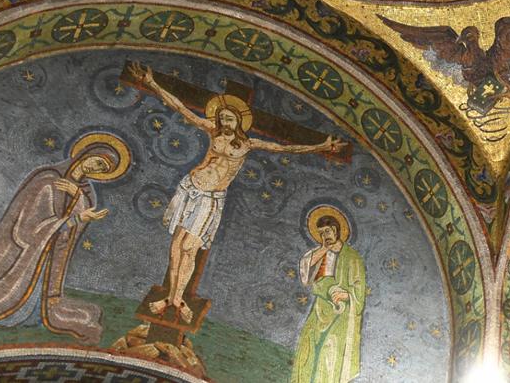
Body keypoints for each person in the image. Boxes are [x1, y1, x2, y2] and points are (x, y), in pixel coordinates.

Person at [131, 63, 345, 324]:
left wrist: (320, 146)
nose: (224, 122)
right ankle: (172, 299)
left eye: (229, 118)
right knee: (176, 247)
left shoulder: (247, 144)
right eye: (222, 118)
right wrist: (153, 83)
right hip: (190, 189)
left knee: (190, 248)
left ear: (239, 121)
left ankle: (179, 297)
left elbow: (285, 148)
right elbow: (181, 108)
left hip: (211, 200)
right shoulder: (213, 132)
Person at [0, 132, 131, 342]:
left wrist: (78, 198)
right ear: (86, 154)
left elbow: (74, 227)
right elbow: (26, 230)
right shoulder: (48, 179)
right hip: (17, 255)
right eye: (97, 162)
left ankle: (37, 307)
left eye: (102, 169)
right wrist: (74, 216)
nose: (95, 169)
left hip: (47, 258)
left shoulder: (85, 192)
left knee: (84, 313)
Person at [291, 206, 366, 383]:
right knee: (306, 350)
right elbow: (306, 274)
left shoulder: (353, 258)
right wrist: (324, 249)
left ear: (337, 230)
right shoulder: (322, 253)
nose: (325, 236)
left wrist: (346, 295)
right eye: (321, 233)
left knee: (330, 355)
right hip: (319, 311)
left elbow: (358, 291)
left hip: (341, 316)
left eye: (328, 231)